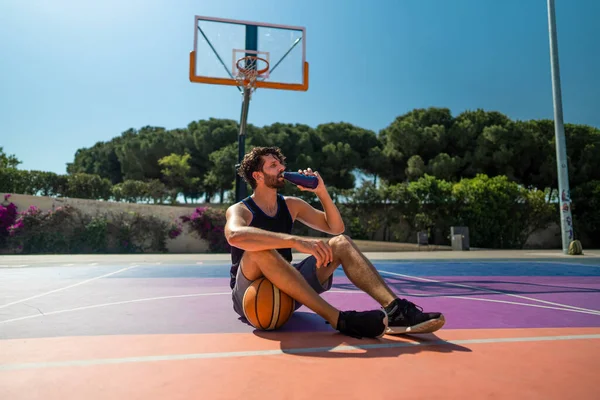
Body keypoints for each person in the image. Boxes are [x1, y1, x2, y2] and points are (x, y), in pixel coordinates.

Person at [224, 146, 445, 339]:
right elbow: (234, 235)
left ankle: (395, 311)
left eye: (281, 163)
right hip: (248, 294)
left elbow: (335, 228)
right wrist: (296, 241)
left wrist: (321, 191)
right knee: (259, 251)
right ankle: (341, 320)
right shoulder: (241, 209)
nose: (281, 167)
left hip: (286, 288)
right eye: (273, 165)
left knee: (341, 243)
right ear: (258, 176)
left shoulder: (291, 205)